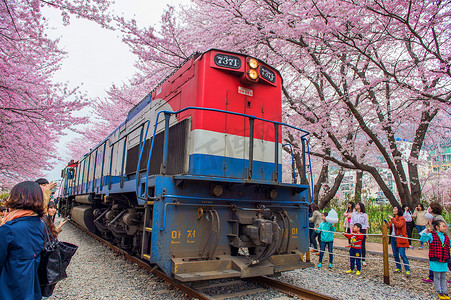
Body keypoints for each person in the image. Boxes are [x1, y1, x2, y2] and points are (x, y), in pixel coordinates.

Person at [0, 181, 46, 300]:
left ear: (17, 198)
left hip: (9, 290)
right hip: (31, 288)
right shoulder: (40, 224)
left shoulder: (9, 229)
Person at [420, 220, 450, 300]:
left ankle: (445, 291)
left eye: (445, 226)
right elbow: (422, 239)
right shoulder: (431, 235)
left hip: (443, 260)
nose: (445, 227)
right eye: (443, 226)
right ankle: (439, 291)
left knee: (443, 276)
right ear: (437, 227)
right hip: (435, 259)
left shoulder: (446, 237)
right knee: (437, 276)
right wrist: (426, 231)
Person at [423, 203, 451, 283]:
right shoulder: (436, 218)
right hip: (442, 241)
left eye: (430, 207)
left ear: (432, 209)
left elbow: (439, 229)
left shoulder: (437, 219)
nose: (428, 208)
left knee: (444, 258)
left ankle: (432, 277)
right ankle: (432, 276)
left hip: (441, 242)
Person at [388, 205, 411, 277]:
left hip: (400, 238)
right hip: (393, 238)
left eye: (395, 208)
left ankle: (407, 269)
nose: (393, 210)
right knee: (395, 254)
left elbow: (398, 225)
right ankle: (398, 267)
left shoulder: (402, 218)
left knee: (402, 254)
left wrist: (392, 219)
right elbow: (392, 227)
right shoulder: (394, 219)